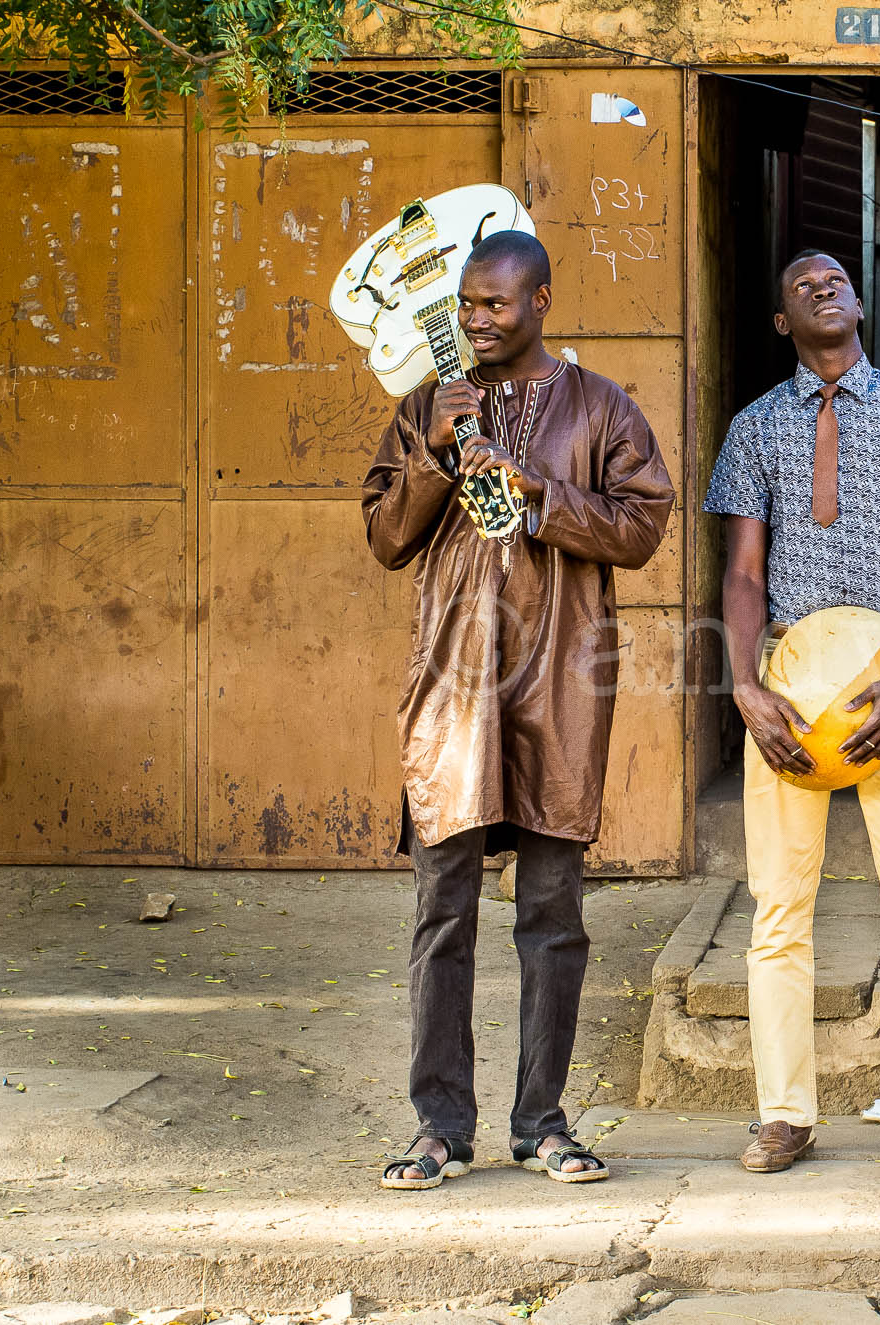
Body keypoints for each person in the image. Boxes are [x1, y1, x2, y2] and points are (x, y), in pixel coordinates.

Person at [361, 230, 675, 1190]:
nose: (475, 321)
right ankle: (437, 1126)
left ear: (541, 301)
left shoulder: (601, 407)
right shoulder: (428, 407)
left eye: (495, 305)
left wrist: (543, 490)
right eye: (465, 305)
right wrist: (435, 452)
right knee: (441, 906)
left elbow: (641, 526)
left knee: (551, 910)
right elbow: (385, 537)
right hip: (454, 685)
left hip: (558, 683)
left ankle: (543, 1119)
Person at [705, 250, 880, 1175]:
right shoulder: (753, 429)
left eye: (836, 278)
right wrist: (746, 686)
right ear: (783, 322)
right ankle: (784, 1114)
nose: (823, 287)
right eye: (800, 285)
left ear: (859, 300)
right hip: (786, 686)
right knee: (779, 909)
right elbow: (744, 572)